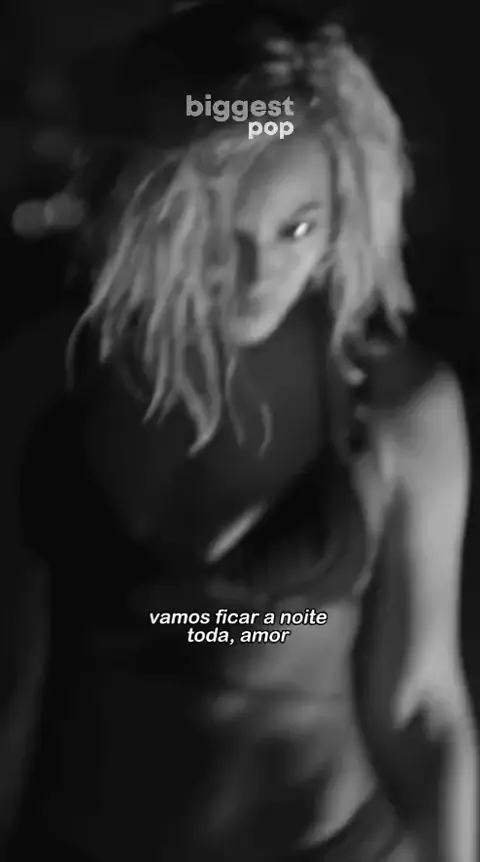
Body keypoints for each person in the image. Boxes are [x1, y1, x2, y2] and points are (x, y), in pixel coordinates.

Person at [5, 2, 477, 860]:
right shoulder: (52, 374)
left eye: (297, 228)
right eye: (219, 234)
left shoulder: (397, 406)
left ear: (343, 213)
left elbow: (423, 709)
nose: (259, 274)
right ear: (153, 211)